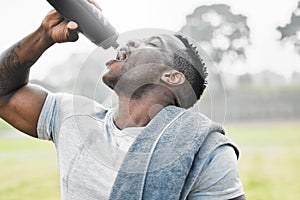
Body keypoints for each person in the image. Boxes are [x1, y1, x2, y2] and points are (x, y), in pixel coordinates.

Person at [0, 3, 246, 200]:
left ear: (171, 76)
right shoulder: (72, 117)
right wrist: (44, 36)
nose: (130, 42)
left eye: (152, 44)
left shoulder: (205, 151)